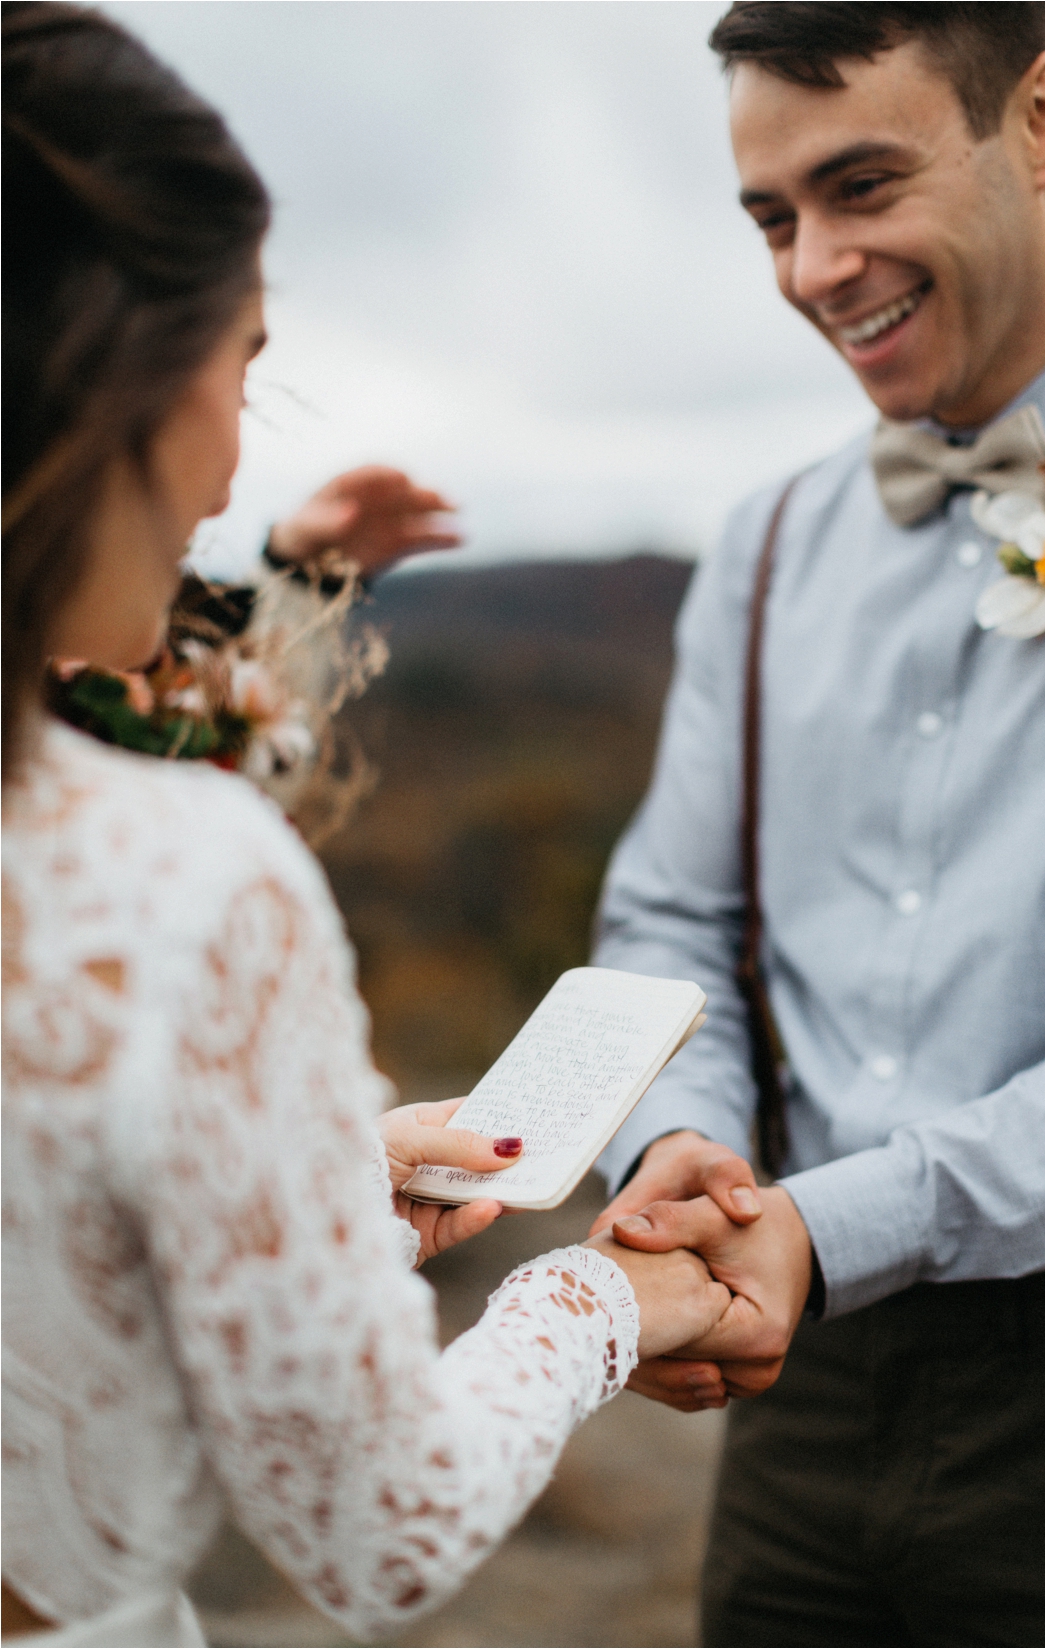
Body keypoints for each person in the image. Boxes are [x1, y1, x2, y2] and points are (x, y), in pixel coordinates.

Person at [0, 6, 742, 1645]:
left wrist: (312, 1176)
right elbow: (375, 1530)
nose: (225, 474)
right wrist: (598, 1297)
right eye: (241, 369)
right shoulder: (175, 888)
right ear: (113, 379)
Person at [589, 4, 1045, 1645]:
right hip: (793, 1396)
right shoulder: (764, 549)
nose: (815, 267)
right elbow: (668, 918)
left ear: (1041, 120)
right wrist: (687, 1147)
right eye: (770, 218)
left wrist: (842, 1220)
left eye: (862, 185)